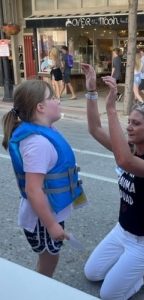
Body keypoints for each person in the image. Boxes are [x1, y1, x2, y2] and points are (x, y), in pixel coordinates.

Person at [81, 63, 144, 300]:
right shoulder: (129, 150)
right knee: (91, 273)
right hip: (122, 231)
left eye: (136, 123)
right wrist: (91, 91)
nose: (129, 127)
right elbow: (94, 129)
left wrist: (111, 108)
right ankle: (128, 266)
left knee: (108, 295)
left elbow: (124, 160)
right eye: (128, 121)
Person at [1, 80, 84, 278]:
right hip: (42, 220)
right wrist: (52, 225)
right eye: (53, 98)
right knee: (49, 259)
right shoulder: (37, 143)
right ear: (40, 107)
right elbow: (33, 189)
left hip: (47, 215)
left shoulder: (45, 134)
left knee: (49, 257)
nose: (58, 101)